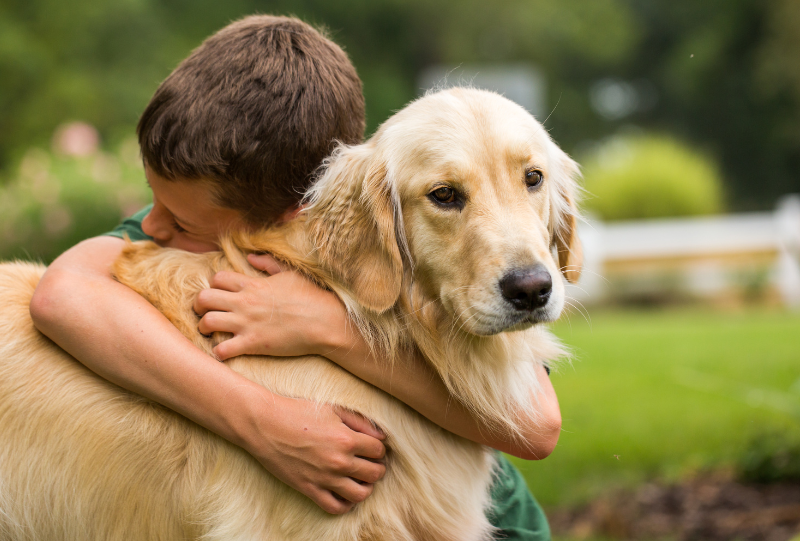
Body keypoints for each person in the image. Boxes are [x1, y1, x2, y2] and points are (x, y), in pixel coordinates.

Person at [29, 14, 559, 539]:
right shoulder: (184, 225)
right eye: (154, 199)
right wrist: (263, 420)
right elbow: (60, 295)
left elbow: (537, 426)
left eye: (181, 218)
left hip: (506, 521)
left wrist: (328, 328)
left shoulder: (352, 225)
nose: (151, 225)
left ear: (289, 216)